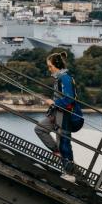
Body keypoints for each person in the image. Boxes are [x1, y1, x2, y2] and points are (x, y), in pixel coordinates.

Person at [34, 52, 77, 183]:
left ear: (57, 65)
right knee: (40, 128)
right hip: (56, 113)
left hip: (64, 114)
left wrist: (54, 103)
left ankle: (70, 173)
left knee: (64, 142)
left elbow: (69, 99)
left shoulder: (65, 78)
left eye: (50, 66)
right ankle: (58, 152)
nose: (49, 69)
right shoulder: (60, 78)